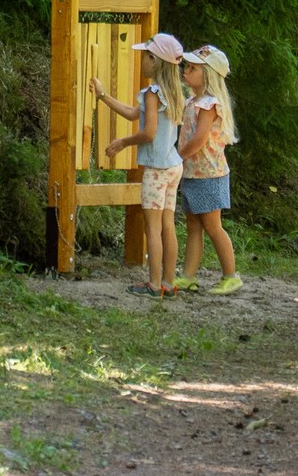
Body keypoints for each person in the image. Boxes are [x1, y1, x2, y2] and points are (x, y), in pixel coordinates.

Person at [91, 33, 186, 296]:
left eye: (145, 55)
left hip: (156, 170)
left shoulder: (153, 93)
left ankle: (154, 285)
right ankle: (168, 283)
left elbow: (149, 133)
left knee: (152, 228)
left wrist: (123, 142)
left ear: (155, 61)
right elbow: (134, 114)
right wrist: (103, 95)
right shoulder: (173, 93)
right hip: (173, 166)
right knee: (167, 225)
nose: (141, 60)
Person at [175, 45, 241, 295]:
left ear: (209, 75)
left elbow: (199, 139)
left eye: (193, 68)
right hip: (193, 173)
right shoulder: (192, 101)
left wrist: (176, 157)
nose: (186, 71)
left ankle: (231, 276)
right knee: (193, 225)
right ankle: (188, 276)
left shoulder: (209, 104)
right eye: (187, 66)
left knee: (213, 226)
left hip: (209, 175)